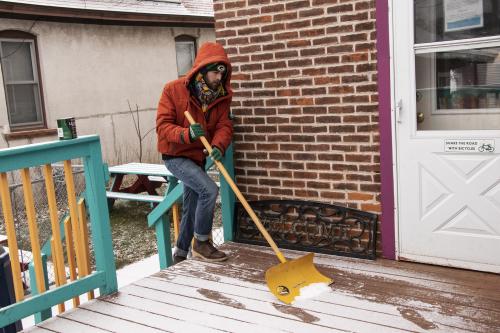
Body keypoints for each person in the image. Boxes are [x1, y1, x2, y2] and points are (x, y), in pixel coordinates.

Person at [156, 42, 233, 264]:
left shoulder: (220, 97)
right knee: (209, 190)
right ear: (202, 69)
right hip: (176, 156)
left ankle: (180, 254)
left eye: (222, 73)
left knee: (191, 206)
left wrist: (218, 146)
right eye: (214, 72)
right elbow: (162, 126)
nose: (218, 78)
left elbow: (224, 126)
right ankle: (201, 243)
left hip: (197, 158)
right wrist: (186, 134)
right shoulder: (173, 90)